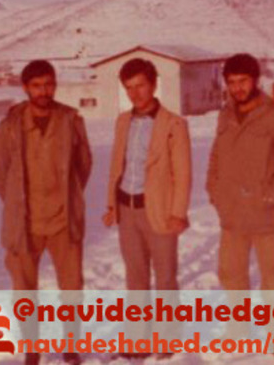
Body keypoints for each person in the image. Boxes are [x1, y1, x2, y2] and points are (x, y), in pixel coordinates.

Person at [0, 60, 92, 365]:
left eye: (48, 84)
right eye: (36, 86)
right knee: (24, 290)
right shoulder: (10, 126)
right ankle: (32, 350)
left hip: (63, 221)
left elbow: (83, 165)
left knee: (71, 288)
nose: (44, 91)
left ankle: (71, 346)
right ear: (25, 88)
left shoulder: (70, 121)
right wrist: (15, 202)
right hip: (25, 224)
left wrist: (69, 198)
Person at [206, 53, 274, 356]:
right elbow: (216, 155)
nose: (237, 88)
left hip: (263, 213)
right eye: (232, 82)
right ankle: (238, 332)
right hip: (231, 212)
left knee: (271, 279)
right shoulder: (225, 114)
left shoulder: (273, 115)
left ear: (256, 81)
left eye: (243, 81)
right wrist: (214, 190)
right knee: (230, 274)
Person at [102, 58, 191, 358]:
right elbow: (117, 165)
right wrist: (111, 205)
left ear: (153, 84)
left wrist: (178, 213)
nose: (135, 93)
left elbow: (183, 174)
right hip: (127, 210)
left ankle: (167, 342)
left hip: (160, 211)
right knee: (135, 278)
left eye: (140, 85)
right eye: (129, 88)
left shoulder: (174, 124)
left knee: (165, 278)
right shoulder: (122, 122)